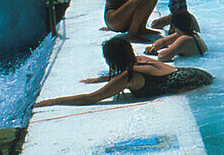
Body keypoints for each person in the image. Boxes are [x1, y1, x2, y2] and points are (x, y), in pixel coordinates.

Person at [34, 37, 213, 107]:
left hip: (193, 84)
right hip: (198, 74)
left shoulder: (128, 77)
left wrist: (53, 101)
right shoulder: (141, 60)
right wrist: (101, 78)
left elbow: (91, 98)